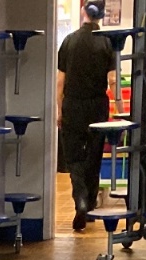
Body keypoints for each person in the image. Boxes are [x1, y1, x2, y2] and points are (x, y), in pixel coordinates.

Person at [57, 1, 117, 231]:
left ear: (84, 11)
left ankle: (80, 199)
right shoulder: (107, 42)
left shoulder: (69, 41)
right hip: (97, 105)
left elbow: (60, 82)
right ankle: (90, 206)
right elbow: (112, 80)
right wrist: (119, 105)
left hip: (73, 104)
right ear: (101, 15)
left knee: (74, 157)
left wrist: (59, 109)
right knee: (94, 155)